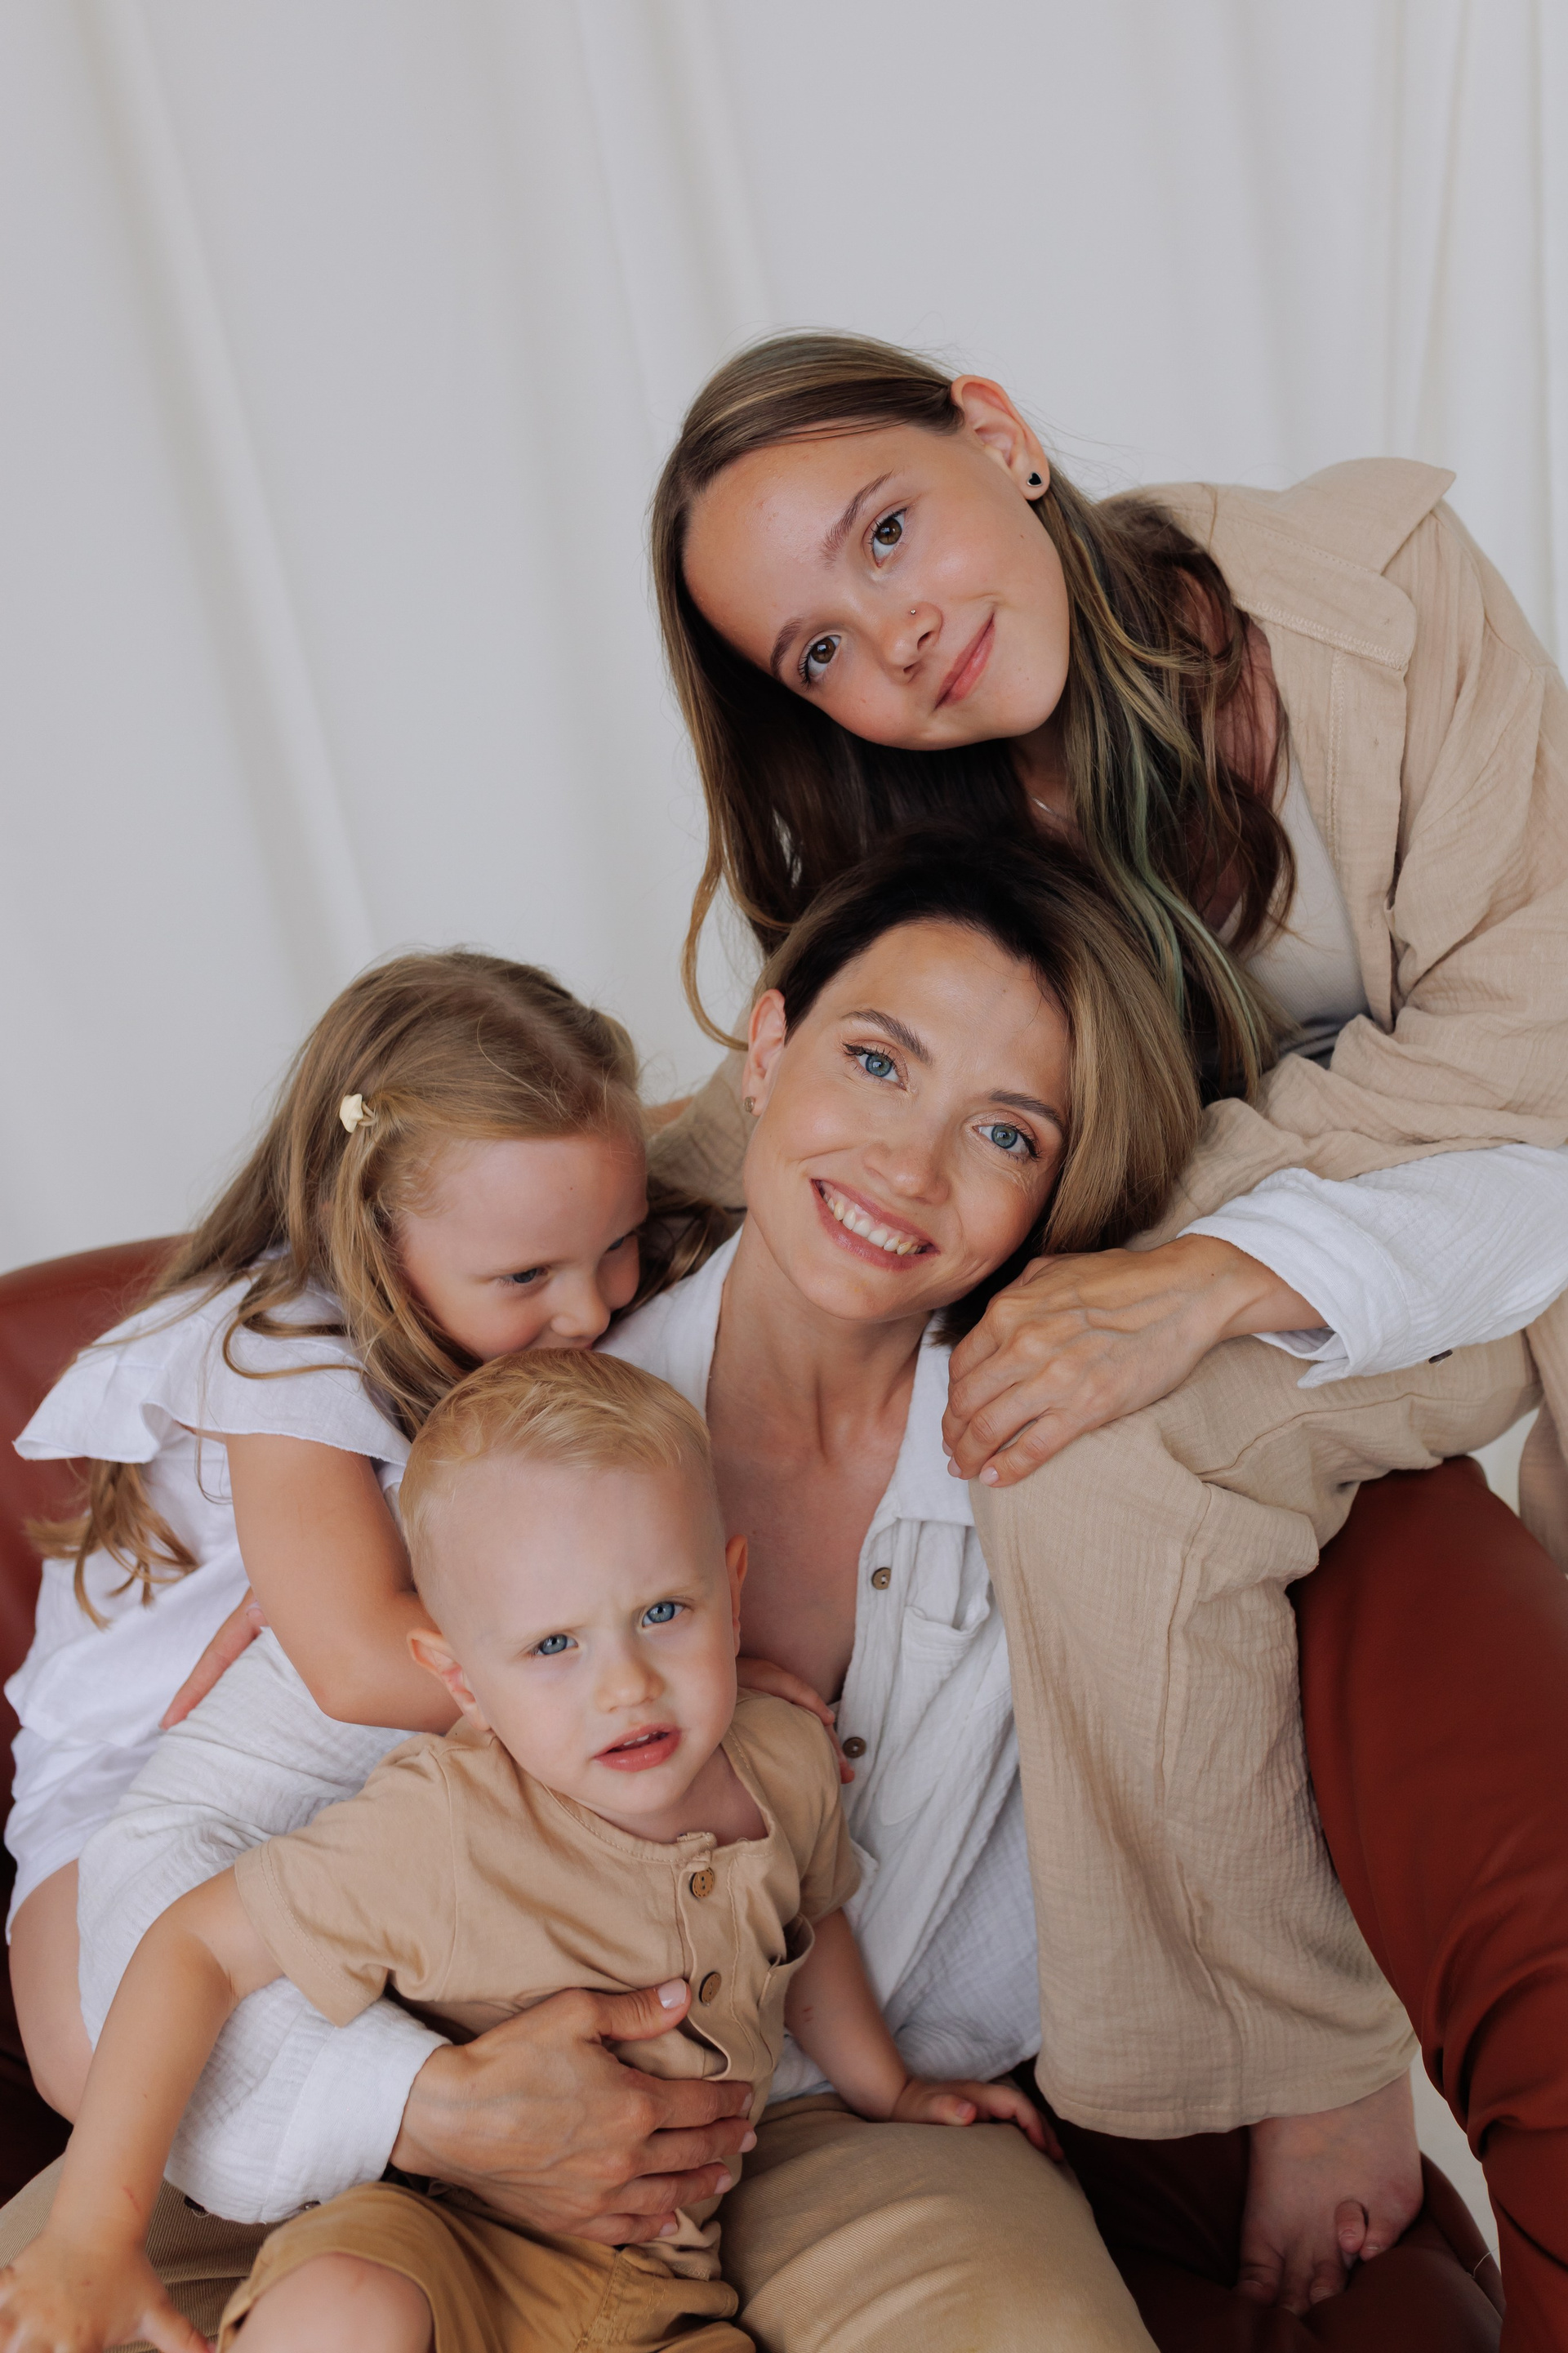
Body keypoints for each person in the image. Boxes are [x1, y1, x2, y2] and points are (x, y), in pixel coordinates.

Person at [646, 331, 1568, 2296]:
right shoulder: (932, 840)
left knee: (1117, 1409)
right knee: (1073, 1448)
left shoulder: (1384, 596)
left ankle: (1304, 2071)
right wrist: (414, 1201)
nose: (894, 640)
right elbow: (796, 1115)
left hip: (1517, 1219)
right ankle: (1281, 2066)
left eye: (887, 532)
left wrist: (1191, 1236)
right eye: (818, 649)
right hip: (1316, 1261)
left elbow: (1538, 1036)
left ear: (998, 434)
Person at [5, 837, 1199, 2351]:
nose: (909, 1165)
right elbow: (170, 1896)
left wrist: (1326, 2082)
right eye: (877, 1060)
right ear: (766, 1048)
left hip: (816, 2125)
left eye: (1008, 1132)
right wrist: (429, 2105)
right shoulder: (503, 1434)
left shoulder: (1079, 1457)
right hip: (418, 2141)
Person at [0, 1348, 1080, 2353]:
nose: (626, 1684)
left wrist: (891, 2088)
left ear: (732, 1590)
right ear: (459, 1678)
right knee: (341, 2307)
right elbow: (196, 1945)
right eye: (554, 1644)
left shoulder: (787, 1760)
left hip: (664, 2286)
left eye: (663, 1610)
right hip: (434, 2237)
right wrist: (95, 2229)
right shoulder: (441, 1821)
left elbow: (810, 1924)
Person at [5, 947, 722, 2119]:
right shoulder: (283, 1345)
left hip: (355, 1768)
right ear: (369, 1237)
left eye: (617, 1244)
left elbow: (712, 1128)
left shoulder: (515, 1246)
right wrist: (667, 1673)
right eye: (528, 1274)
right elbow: (351, 1662)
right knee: (94, 2058)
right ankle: (416, 2116)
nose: (591, 1306)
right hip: (138, 1765)